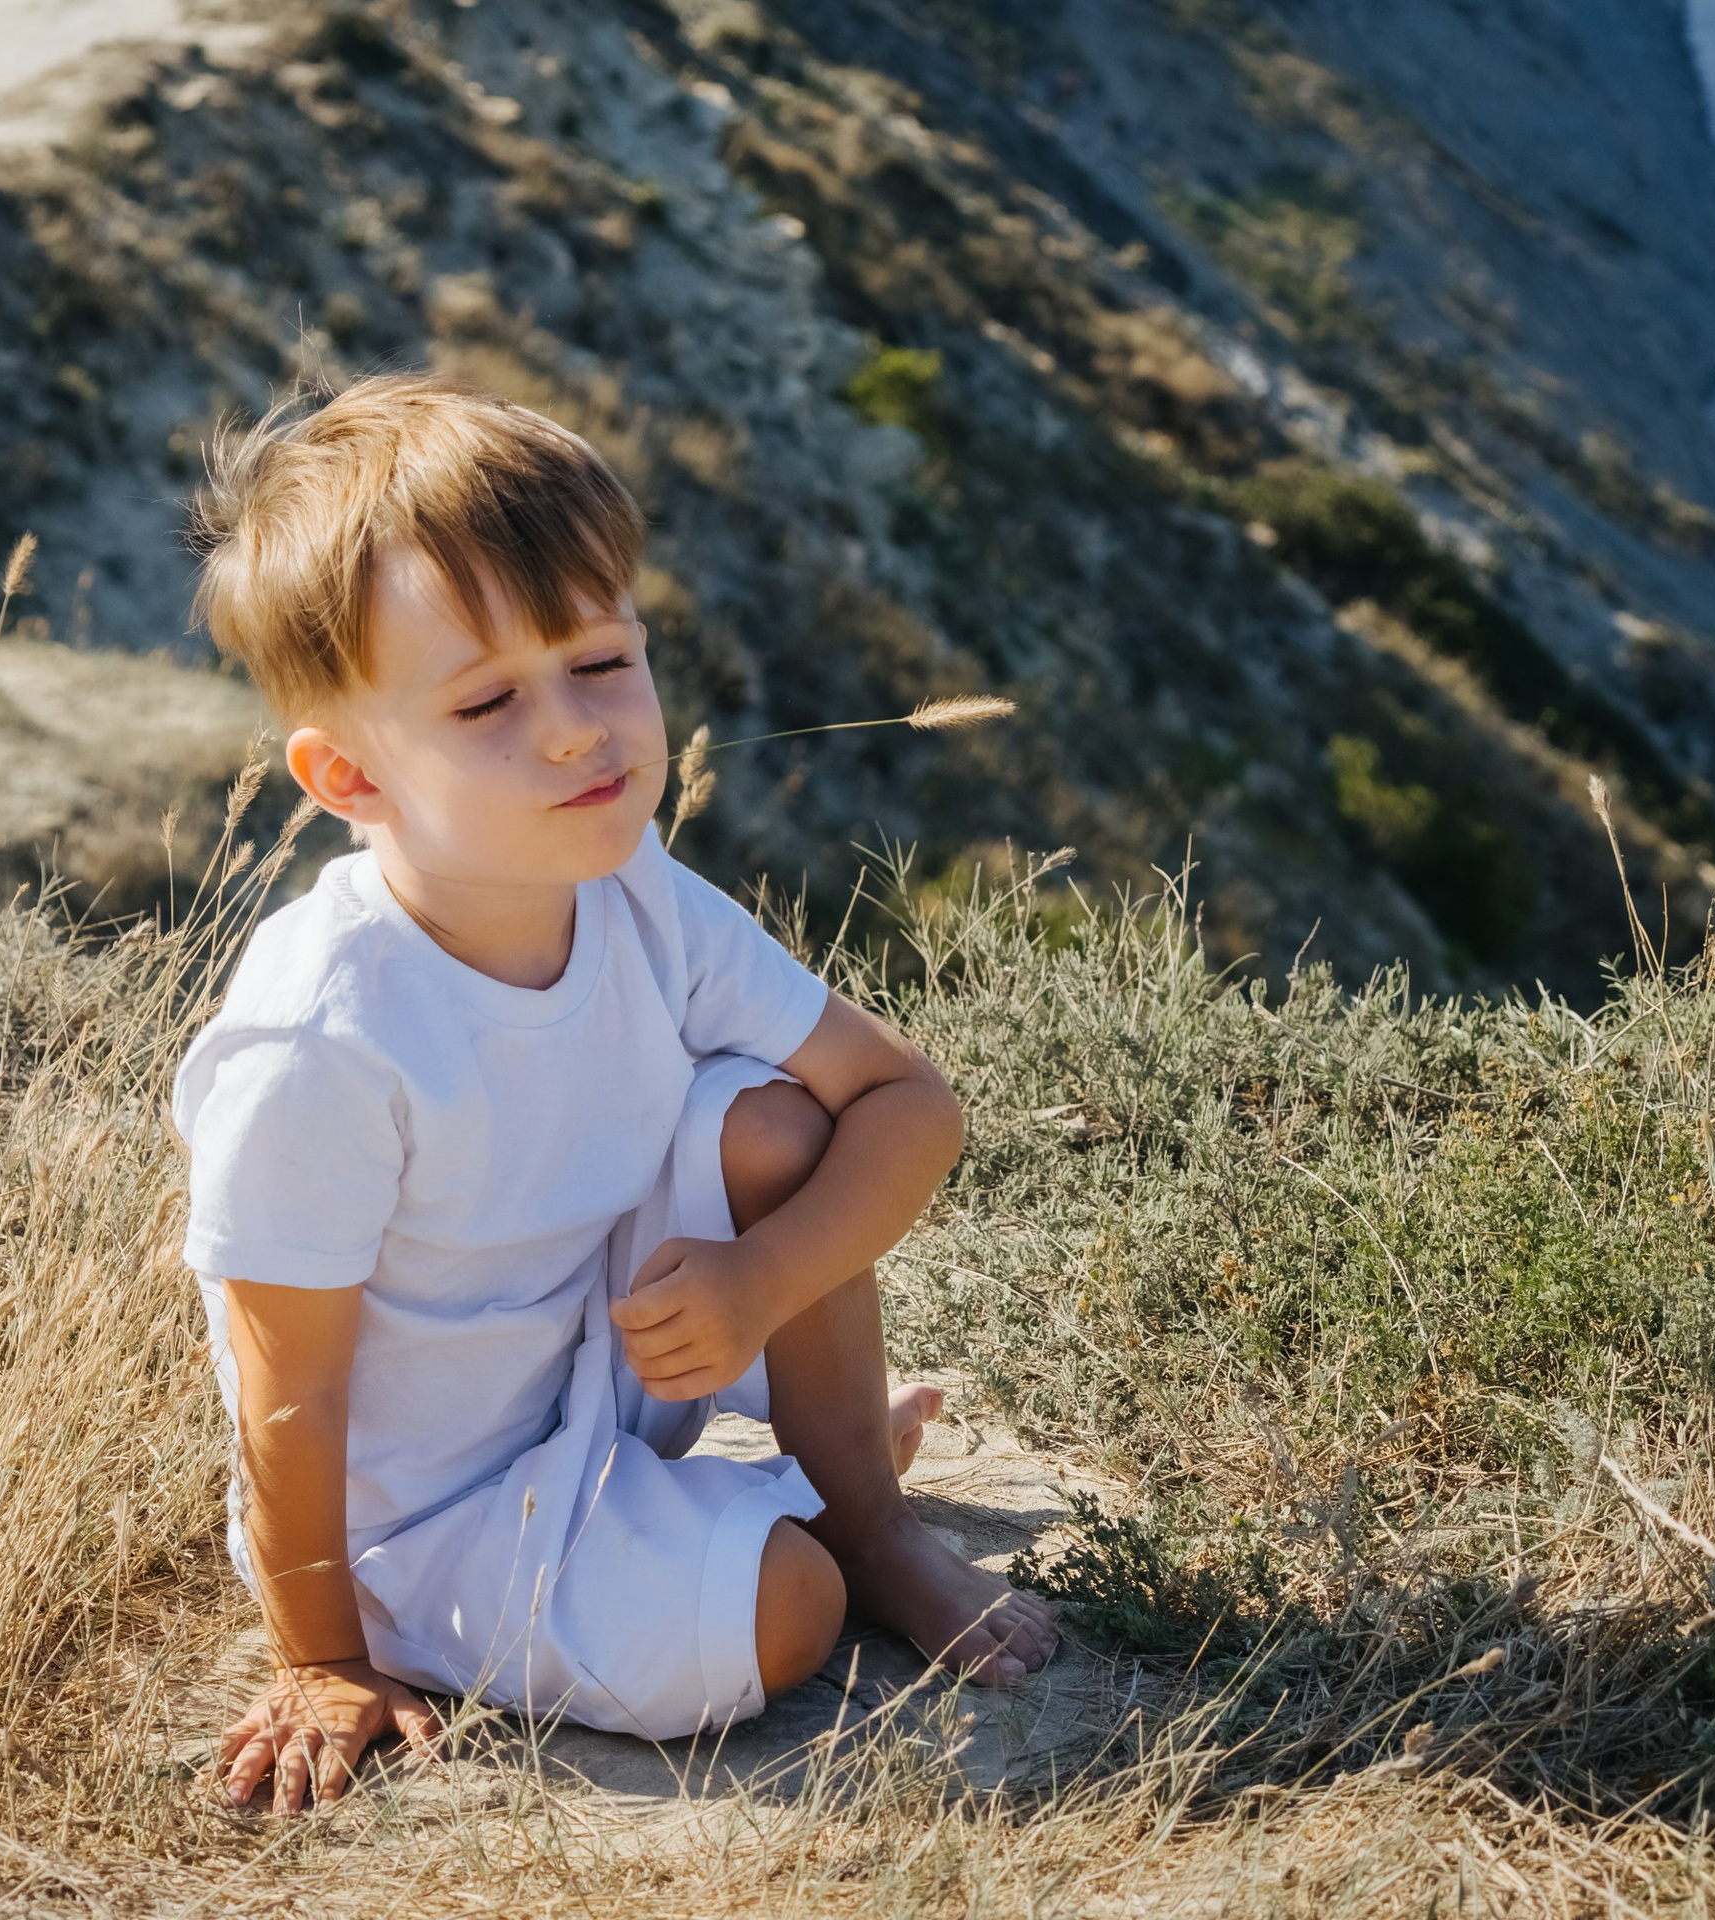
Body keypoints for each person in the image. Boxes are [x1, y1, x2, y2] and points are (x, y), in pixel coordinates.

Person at [174, 373, 1057, 1815]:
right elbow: (291, 1397)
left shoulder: (637, 892)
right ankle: (801, 1515)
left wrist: (764, 1278)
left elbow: (907, 1103)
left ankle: (868, 1512)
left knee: (787, 1125)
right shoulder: (324, 1040)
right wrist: (323, 1656)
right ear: (350, 777)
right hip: (436, 1515)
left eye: (599, 663)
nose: (580, 733)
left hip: (607, 1356)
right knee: (785, 1615)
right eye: (487, 702)